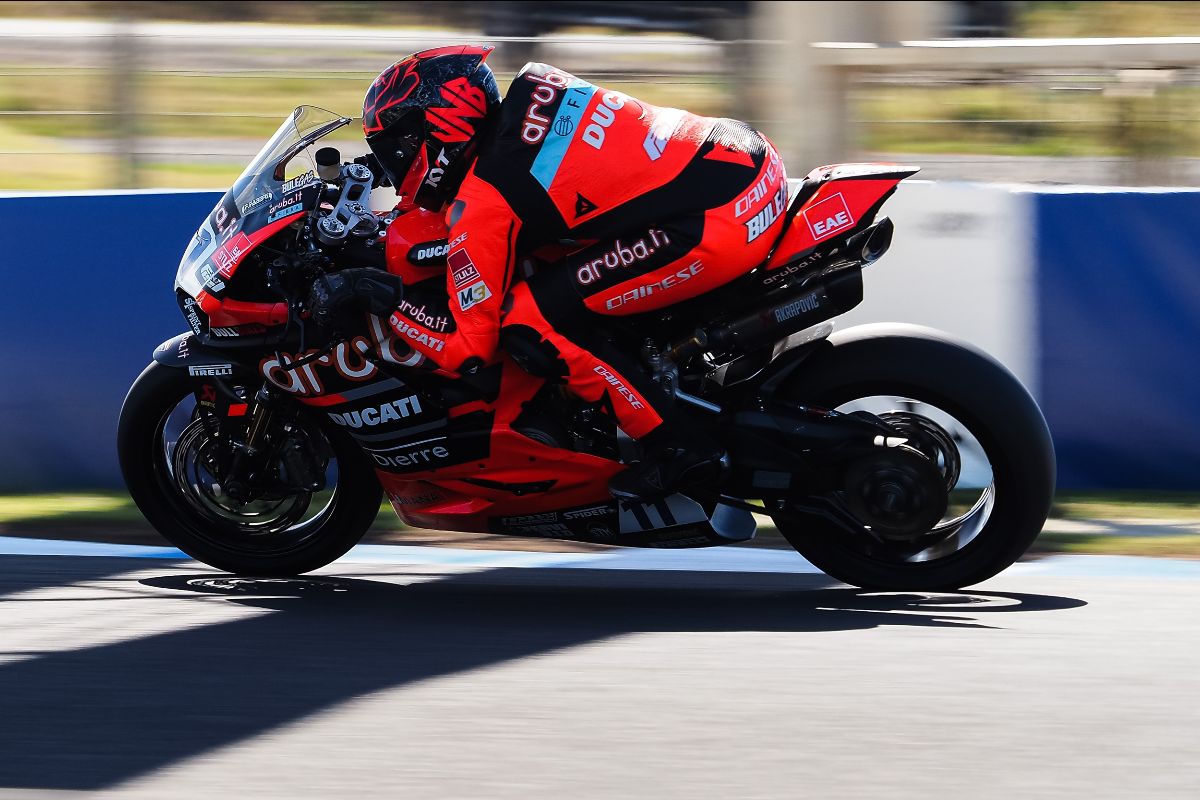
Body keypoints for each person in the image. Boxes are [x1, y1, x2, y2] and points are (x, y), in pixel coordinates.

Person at [314, 44, 789, 501]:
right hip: (744, 159)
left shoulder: (487, 203)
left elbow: (469, 350)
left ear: (439, 125)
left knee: (530, 319)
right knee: (560, 274)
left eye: (397, 146)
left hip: (719, 221)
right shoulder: (536, 87)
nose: (393, 161)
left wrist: (380, 294)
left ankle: (680, 445)